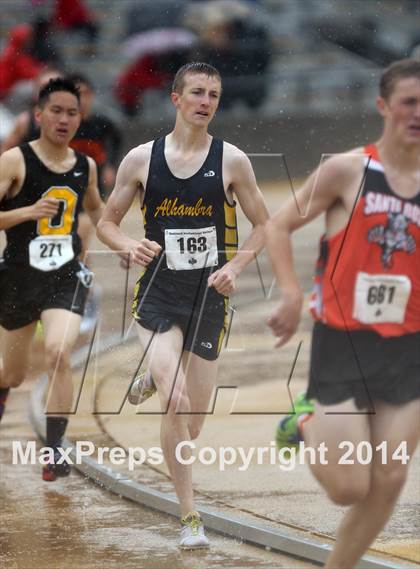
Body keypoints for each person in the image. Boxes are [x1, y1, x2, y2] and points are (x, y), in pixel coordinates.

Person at [97, 62, 268, 548]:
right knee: (177, 401)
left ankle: (152, 373)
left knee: (193, 420)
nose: (205, 101)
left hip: (209, 297)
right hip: (158, 293)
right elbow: (108, 223)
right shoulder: (140, 160)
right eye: (196, 92)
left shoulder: (232, 160)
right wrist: (127, 247)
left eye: (213, 94)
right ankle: (189, 516)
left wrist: (234, 267)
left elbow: (263, 224)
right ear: (175, 98)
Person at [266, 58, 420, 569]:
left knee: (391, 477)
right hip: (345, 343)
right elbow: (278, 226)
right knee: (349, 488)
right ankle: (305, 422)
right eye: (409, 103)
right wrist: (290, 294)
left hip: (410, 348)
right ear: (383, 106)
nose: (418, 113)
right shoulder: (348, 170)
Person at [0, 78, 104, 481]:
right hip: (18, 279)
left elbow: (100, 214)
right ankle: (5, 389)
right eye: (56, 111)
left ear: (81, 118)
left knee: (60, 352)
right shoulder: (14, 161)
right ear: (39, 115)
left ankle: (55, 447)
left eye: (72, 113)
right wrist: (27, 212)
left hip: (65, 276)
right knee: (13, 372)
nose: (64, 119)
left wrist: (130, 244)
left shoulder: (85, 166)